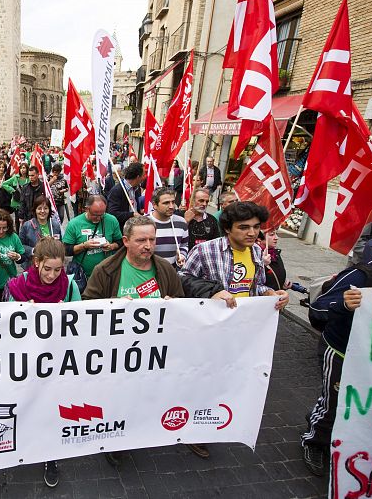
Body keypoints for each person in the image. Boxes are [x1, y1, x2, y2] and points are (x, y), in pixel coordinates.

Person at [301, 217, 372, 476]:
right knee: (334, 401)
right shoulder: (361, 275)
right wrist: (343, 303)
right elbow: (317, 308)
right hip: (342, 351)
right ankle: (314, 441)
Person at [180, 202, 289, 460]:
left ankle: (219, 420)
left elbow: (255, 285)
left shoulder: (255, 253)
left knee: (227, 379)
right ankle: (194, 431)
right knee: (202, 380)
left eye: (255, 227)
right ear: (228, 229)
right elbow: (181, 279)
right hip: (208, 332)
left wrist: (271, 293)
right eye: (244, 228)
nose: (252, 233)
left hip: (241, 333)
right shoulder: (204, 251)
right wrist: (212, 291)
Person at [82, 216, 184, 468]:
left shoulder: (165, 269)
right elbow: (87, 309)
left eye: (152, 239)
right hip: (115, 355)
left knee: (142, 396)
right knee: (116, 399)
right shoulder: (105, 270)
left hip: (152, 354)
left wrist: (173, 305)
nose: (148, 245)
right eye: (141, 240)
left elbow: (182, 305)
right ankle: (115, 440)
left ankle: (138, 429)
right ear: (126, 241)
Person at [63, 195, 122, 289]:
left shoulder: (111, 220)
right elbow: (66, 250)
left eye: (102, 214)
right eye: (95, 214)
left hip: (107, 274)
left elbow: (120, 242)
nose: (98, 218)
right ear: (86, 209)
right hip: (84, 276)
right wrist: (84, 246)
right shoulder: (74, 224)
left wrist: (111, 246)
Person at [19, 195, 63, 269]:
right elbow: (20, 246)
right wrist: (33, 250)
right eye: (39, 208)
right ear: (35, 210)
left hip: (51, 266)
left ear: (49, 210)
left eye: (45, 208)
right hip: (33, 265)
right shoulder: (27, 225)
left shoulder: (55, 225)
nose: (42, 211)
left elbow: (60, 244)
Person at [150, 187, 189, 267]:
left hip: (172, 272)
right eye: (166, 203)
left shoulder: (181, 222)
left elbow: (184, 245)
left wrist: (182, 255)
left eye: (173, 202)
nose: (171, 206)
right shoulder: (143, 223)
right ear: (154, 205)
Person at [106, 162, 144, 230]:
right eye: (143, 174)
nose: (144, 177)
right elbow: (112, 213)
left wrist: (140, 211)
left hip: (135, 227)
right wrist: (132, 215)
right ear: (138, 177)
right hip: (122, 229)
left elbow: (135, 207)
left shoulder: (137, 189)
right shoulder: (117, 191)